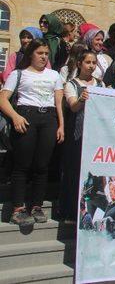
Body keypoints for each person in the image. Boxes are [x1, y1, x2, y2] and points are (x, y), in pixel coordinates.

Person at [0, 39, 64, 226]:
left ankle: (36, 205)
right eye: (40, 53)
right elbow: (3, 99)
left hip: (49, 118)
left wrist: (61, 125)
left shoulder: (54, 75)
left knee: (42, 165)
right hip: (26, 116)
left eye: (46, 53)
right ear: (31, 54)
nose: (44, 56)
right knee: (22, 165)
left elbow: (58, 102)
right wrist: (15, 117)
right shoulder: (18, 74)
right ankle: (18, 208)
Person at [61, 50, 104, 222]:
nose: (91, 66)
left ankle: (87, 214)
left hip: (96, 136)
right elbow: (72, 106)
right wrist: (81, 99)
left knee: (91, 177)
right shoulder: (71, 84)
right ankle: (69, 212)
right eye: (88, 62)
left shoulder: (101, 84)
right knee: (73, 173)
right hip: (77, 135)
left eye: (94, 63)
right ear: (79, 63)